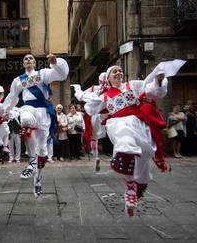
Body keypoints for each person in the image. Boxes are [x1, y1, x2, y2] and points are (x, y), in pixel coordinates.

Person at [73, 59, 185, 216]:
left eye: (120, 70)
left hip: (139, 124)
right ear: (108, 78)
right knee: (126, 144)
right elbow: (89, 106)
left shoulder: (133, 85)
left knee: (144, 154)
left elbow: (152, 91)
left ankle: (137, 187)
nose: (118, 72)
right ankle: (130, 185)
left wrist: (158, 80)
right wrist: (79, 93)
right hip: (119, 123)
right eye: (114, 71)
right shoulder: (104, 96)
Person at [3, 53, 69, 197]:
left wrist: (56, 62)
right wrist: (5, 111)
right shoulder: (18, 81)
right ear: (23, 64)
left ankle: (37, 179)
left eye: (31, 58)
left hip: (44, 112)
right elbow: (12, 97)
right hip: (29, 108)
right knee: (26, 120)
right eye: (25, 58)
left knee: (42, 150)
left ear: (34, 63)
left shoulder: (43, 74)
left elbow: (61, 74)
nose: (28, 60)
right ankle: (32, 162)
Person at [74, 73, 107, 171]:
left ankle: (96, 156)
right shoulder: (110, 89)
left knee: (93, 137)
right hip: (105, 114)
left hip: (95, 114)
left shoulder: (94, 89)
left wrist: (77, 89)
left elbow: (82, 96)